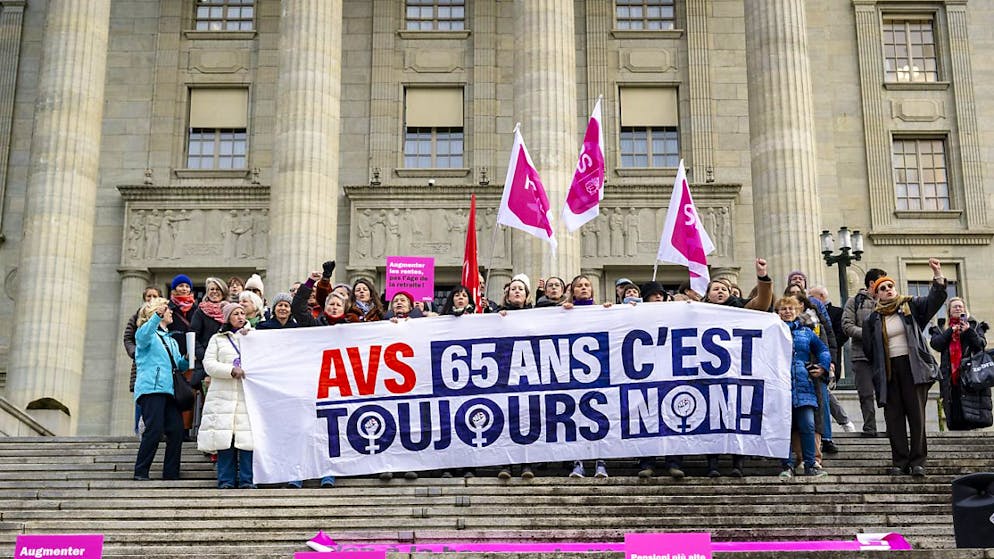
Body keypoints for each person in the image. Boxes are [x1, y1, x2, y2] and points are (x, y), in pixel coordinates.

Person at [862, 258, 947, 477]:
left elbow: (933, 302)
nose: (888, 290)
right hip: (889, 371)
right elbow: (869, 350)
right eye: (883, 288)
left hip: (913, 368)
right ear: (876, 294)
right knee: (894, 417)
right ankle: (899, 461)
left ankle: (918, 460)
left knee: (916, 415)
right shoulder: (873, 319)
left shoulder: (910, 306)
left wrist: (937, 276)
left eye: (890, 286)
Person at [199, 303, 256, 489]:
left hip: (247, 396)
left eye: (242, 313)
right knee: (225, 439)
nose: (240, 316)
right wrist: (230, 370)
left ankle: (248, 480)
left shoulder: (254, 337)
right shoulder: (217, 339)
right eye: (235, 314)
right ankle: (226, 480)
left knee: (247, 440)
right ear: (227, 318)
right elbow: (209, 364)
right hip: (222, 396)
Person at [775, 295, 831, 479]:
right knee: (784, 428)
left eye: (791, 308)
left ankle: (810, 464)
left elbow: (823, 349)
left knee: (808, 425)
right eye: (783, 309)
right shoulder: (772, 331)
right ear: (777, 313)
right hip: (780, 386)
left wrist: (822, 366)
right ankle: (788, 465)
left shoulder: (807, 333)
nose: (787, 312)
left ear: (797, 311)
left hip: (803, 385)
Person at [132, 297, 188, 481]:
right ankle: (141, 471)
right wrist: (156, 316)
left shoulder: (170, 339)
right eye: (168, 309)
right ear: (158, 311)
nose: (172, 312)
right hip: (151, 389)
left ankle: (171, 473)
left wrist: (187, 359)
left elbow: (179, 365)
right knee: (154, 430)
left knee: (177, 429)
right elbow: (142, 338)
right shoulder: (146, 333)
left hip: (169, 391)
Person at [930, 298, 991, 430]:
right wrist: (950, 331)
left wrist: (969, 331)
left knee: (971, 417)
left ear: (965, 310)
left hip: (970, 378)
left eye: (960, 307)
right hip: (951, 380)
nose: (958, 309)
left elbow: (981, 345)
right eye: (954, 307)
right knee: (955, 416)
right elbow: (936, 344)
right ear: (949, 312)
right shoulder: (942, 329)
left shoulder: (975, 326)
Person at [842, 268, 888, 437]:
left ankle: (892, 427)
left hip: (885, 356)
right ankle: (870, 428)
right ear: (871, 284)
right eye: (882, 282)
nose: (886, 287)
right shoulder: (854, 301)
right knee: (866, 393)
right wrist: (869, 334)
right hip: (861, 355)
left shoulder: (889, 302)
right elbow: (847, 326)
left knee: (888, 393)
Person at [123, 286, 163, 433]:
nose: (151, 299)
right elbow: (128, 338)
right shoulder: (136, 317)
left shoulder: (164, 316)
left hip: (160, 367)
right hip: (141, 366)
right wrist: (136, 353)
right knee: (141, 398)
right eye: (148, 296)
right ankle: (138, 431)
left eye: (155, 296)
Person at [167, 274, 198, 357]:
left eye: (187, 286)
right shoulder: (168, 307)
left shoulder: (196, 309)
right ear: (174, 289)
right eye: (181, 286)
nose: (184, 289)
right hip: (172, 351)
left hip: (192, 352)